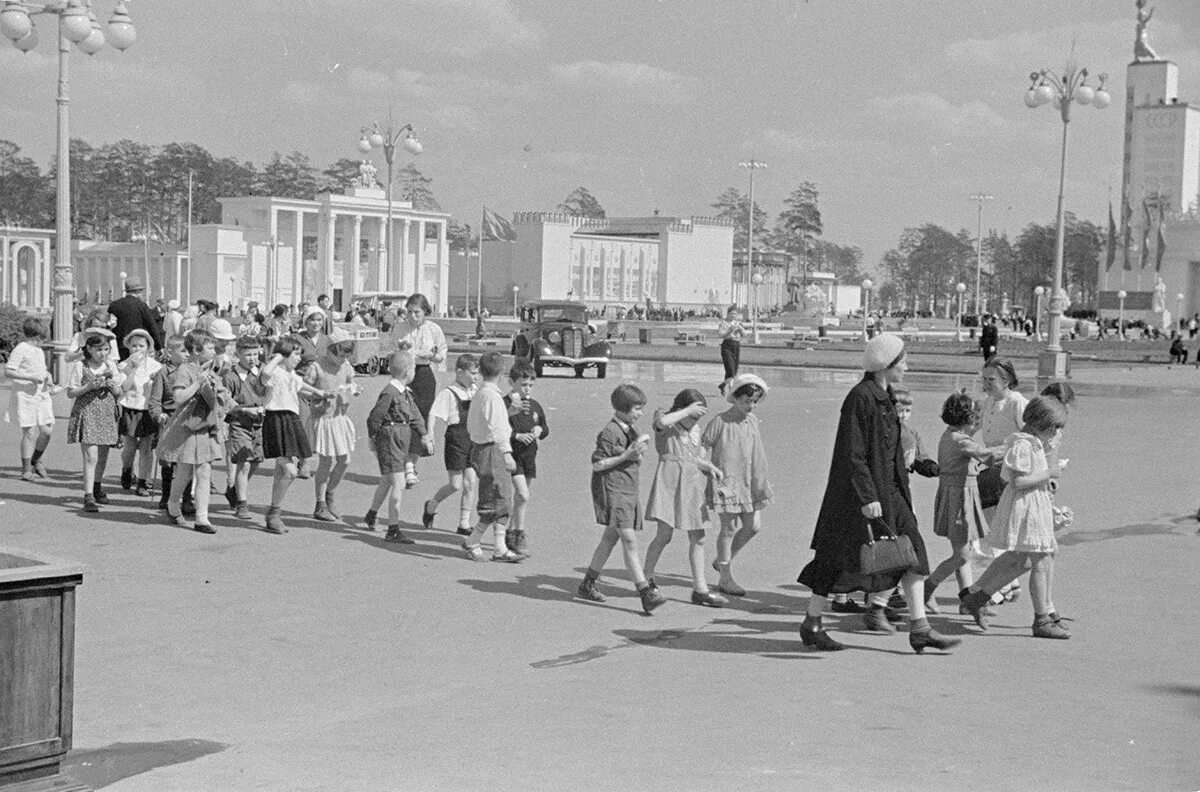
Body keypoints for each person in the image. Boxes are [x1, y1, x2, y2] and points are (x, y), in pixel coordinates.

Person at [796, 333, 960, 654]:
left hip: (891, 493)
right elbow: (852, 454)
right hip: (857, 498)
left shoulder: (885, 397)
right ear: (886, 364)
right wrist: (868, 496)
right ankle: (812, 623)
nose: (907, 368)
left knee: (913, 553)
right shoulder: (861, 398)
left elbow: (893, 453)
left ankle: (920, 628)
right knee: (832, 560)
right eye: (903, 361)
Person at [959, 397, 1071, 639]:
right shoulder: (1023, 444)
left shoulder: (1034, 443)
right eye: (1056, 427)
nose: (1058, 432)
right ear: (1045, 424)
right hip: (1025, 507)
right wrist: (1050, 473)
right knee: (1039, 560)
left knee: (1021, 559)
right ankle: (1041, 619)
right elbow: (1018, 481)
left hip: (1034, 504)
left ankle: (976, 597)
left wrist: (1047, 478)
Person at [575, 383, 668, 614]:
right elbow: (598, 463)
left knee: (610, 539)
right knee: (629, 540)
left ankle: (587, 583)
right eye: (636, 408)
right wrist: (628, 454)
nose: (640, 413)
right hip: (614, 490)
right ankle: (644, 591)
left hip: (627, 489)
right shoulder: (610, 432)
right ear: (622, 408)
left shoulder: (630, 430)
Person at [642, 388, 728, 608]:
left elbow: (691, 458)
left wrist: (709, 466)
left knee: (698, 537)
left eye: (699, 416)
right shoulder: (668, 425)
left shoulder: (695, 431)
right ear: (682, 410)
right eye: (692, 415)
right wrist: (686, 410)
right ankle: (645, 579)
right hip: (669, 484)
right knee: (664, 535)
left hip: (691, 485)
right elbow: (661, 422)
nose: (694, 420)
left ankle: (700, 589)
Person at [701, 372, 773, 597]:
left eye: (754, 402)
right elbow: (704, 446)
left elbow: (755, 452)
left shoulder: (751, 420)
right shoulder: (720, 421)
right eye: (746, 401)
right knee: (729, 528)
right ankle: (725, 577)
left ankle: (722, 561)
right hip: (727, 482)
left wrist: (762, 480)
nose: (750, 406)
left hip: (749, 480)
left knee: (753, 526)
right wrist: (705, 467)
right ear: (735, 398)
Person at [922, 392, 991, 611]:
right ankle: (928, 586)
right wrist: (1013, 446)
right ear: (967, 418)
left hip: (957, 495)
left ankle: (965, 599)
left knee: (963, 550)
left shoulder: (950, 434)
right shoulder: (960, 441)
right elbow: (985, 456)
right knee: (963, 555)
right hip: (960, 498)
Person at [157, 329, 230, 534]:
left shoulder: (212, 371)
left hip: (205, 427)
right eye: (209, 347)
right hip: (187, 427)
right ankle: (173, 504)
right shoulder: (185, 369)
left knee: (203, 470)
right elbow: (179, 398)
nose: (214, 350)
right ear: (197, 350)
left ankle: (201, 518)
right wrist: (198, 383)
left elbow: (221, 400)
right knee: (184, 471)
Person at [260, 337, 332, 535]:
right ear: (284, 356)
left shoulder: (291, 373)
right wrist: (277, 357)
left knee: (281, 471)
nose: (299, 358)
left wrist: (322, 393)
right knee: (290, 471)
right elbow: (265, 374)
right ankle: (274, 512)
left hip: (291, 419)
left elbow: (302, 387)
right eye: (295, 354)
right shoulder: (274, 371)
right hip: (276, 418)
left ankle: (273, 515)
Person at [460, 351, 524, 563]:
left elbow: (480, 423)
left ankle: (499, 546)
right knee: (497, 499)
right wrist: (506, 452)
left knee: (501, 498)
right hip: (492, 449)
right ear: (502, 371)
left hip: (482, 447)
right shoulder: (492, 396)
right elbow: (497, 428)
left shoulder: (481, 394)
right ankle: (473, 541)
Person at [364, 351, 426, 543]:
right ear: (407, 371)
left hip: (400, 439)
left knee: (387, 480)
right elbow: (375, 417)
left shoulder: (405, 392)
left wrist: (424, 434)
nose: (415, 371)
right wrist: (373, 437)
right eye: (414, 368)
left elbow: (414, 415)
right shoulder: (390, 392)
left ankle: (371, 514)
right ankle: (393, 529)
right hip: (389, 438)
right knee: (399, 483)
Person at [420, 354, 480, 535]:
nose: (476, 377)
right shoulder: (449, 392)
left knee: (471, 482)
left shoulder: (475, 390)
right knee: (455, 484)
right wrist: (430, 433)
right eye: (473, 373)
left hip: (472, 439)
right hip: (455, 439)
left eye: (477, 374)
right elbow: (434, 413)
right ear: (460, 372)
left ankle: (464, 523)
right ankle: (431, 505)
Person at [66, 333, 123, 513]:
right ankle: (88, 495)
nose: (103, 353)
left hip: (106, 411)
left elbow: (119, 392)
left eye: (106, 349)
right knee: (91, 456)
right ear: (89, 349)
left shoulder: (110, 365)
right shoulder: (80, 366)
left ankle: (97, 487)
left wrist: (115, 387)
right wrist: (89, 386)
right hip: (87, 411)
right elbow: (70, 392)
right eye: (99, 349)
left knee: (103, 455)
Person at [308, 328, 360, 522]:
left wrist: (354, 389)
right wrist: (319, 394)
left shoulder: (345, 366)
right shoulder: (316, 367)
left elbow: (350, 382)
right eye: (339, 356)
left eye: (346, 356)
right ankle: (320, 504)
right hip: (323, 418)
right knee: (325, 461)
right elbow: (303, 390)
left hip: (339, 417)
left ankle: (330, 494)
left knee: (345, 460)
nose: (342, 360)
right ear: (329, 350)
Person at [503, 359, 548, 557]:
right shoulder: (506, 403)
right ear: (511, 382)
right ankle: (519, 534)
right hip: (513, 455)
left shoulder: (535, 406)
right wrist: (517, 436)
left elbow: (545, 428)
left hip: (530, 455)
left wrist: (540, 430)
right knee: (523, 494)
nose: (527, 389)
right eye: (523, 384)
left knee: (521, 498)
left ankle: (510, 533)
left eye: (531, 385)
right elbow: (498, 427)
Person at [221, 336, 266, 521]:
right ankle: (242, 504)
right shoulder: (231, 376)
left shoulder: (262, 372)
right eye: (247, 354)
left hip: (259, 424)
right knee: (244, 462)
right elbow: (225, 402)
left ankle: (235, 491)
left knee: (255, 461)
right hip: (239, 423)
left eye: (255, 354)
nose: (252, 358)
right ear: (238, 354)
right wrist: (245, 409)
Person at [6, 317, 56, 481]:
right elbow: (9, 371)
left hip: (41, 394)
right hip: (25, 394)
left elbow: (41, 370)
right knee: (30, 431)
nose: (42, 342)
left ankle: (36, 458)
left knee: (47, 430)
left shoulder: (39, 351)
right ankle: (26, 469)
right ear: (34, 336)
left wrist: (47, 376)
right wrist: (30, 377)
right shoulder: (22, 348)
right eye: (40, 339)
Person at [116, 329, 162, 497]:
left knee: (146, 448)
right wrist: (132, 369)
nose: (137, 349)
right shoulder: (123, 365)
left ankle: (143, 482)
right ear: (128, 347)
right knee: (129, 446)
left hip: (148, 409)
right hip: (130, 406)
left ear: (148, 347)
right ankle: (127, 469)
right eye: (134, 345)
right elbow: (123, 388)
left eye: (141, 346)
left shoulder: (156, 366)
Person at [149, 336, 187, 512]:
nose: (187, 354)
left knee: (187, 461)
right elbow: (155, 400)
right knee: (168, 462)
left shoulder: (192, 371)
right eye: (183, 351)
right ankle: (166, 495)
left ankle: (187, 498)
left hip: (188, 419)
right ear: (170, 352)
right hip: (169, 419)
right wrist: (159, 415)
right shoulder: (162, 373)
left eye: (189, 351)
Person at [108, 277, 164, 360]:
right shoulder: (141, 306)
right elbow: (152, 326)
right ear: (138, 291)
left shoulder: (114, 305)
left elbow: (109, 325)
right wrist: (159, 346)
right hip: (137, 345)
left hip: (119, 346)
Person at [716, 306, 745, 392]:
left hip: (736, 345)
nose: (733, 315)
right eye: (732, 313)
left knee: (734, 371)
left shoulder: (738, 323)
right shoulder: (723, 323)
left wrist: (741, 329)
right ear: (728, 314)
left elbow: (744, 334)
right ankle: (729, 388)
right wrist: (729, 330)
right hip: (727, 346)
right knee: (731, 369)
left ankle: (725, 386)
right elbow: (721, 335)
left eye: (735, 314)